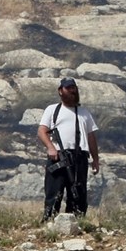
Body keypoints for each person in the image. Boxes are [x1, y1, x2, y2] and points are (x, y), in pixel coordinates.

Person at [37, 77, 99, 222]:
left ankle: (76, 223)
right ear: (60, 91)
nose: (72, 90)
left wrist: (95, 159)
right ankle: (49, 223)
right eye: (68, 87)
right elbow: (42, 131)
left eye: (74, 87)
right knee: (54, 193)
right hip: (58, 156)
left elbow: (91, 137)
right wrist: (51, 148)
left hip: (79, 157)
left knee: (78, 193)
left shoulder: (84, 113)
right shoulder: (52, 110)